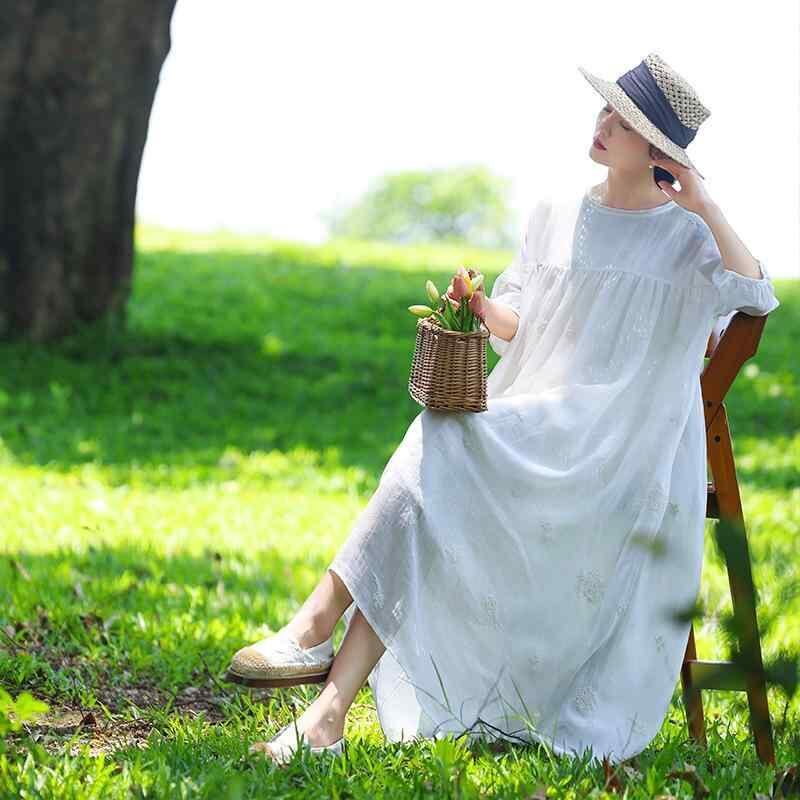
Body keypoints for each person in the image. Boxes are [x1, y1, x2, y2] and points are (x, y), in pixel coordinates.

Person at [227, 52, 781, 767]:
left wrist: (703, 203)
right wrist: (483, 308)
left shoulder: (688, 236)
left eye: (623, 121)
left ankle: (314, 636)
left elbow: (755, 297)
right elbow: (523, 322)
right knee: (436, 463)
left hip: (617, 444)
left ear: (658, 152)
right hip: (537, 419)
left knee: (440, 446)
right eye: (606, 108)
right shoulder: (555, 213)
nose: (603, 123)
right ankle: (325, 705)